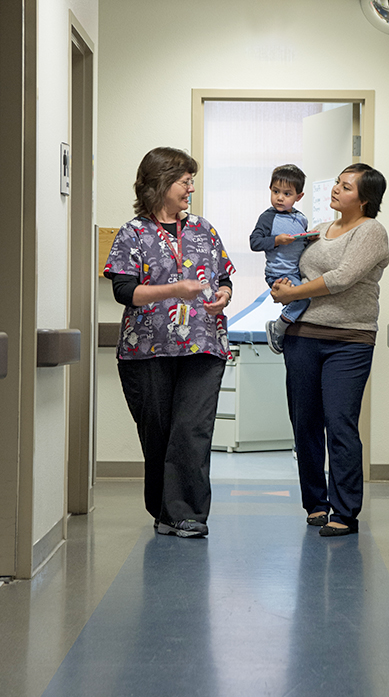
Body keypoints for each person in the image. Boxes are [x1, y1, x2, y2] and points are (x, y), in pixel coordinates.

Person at [103, 147, 235, 539]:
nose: (191, 188)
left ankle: (189, 514)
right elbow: (124, 290)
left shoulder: (203, 229)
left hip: (203, 345)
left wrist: (224, 295)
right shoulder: (133, 233)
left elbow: (224, 274)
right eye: (185, 181)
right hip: (147, 349)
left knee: (192, 429)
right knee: (159, 431)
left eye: (191, 181)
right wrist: (173, 289)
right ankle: (164, 510)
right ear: (161, 183)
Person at [271, 163, 389, 537]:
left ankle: (345, 510)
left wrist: (293, 293)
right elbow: (299, 267)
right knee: (304, 423)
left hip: (349, 341)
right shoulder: (320, 229)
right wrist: (282, 283)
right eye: (337, 183)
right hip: (302, 336)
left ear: (365, 198)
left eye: (346, 186)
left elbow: (341, 279)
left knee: (340, 424)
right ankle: (316, 505)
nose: (336, 190)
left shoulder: (371, 231)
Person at [249, 164, 317, 354]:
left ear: (299, 196)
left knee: (306, 300)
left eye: (287, 194)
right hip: (278, 272)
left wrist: (308, 239)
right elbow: (254, 242)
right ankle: (277, 327)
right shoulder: (267, 218)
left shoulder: (301, 219)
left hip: (296, 272)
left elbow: (299, 246)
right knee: (303, 299)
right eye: (275, 191)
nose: (279, 197)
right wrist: (277, 240)